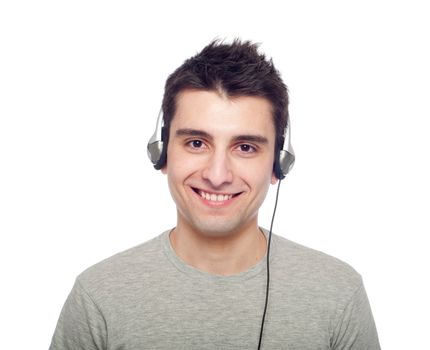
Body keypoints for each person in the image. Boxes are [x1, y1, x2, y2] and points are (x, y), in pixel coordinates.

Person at [49, 39, 380, 350]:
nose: (217, 175)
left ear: (279, 164)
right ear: (162, 153)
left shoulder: (338, 293)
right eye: (196, 143)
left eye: (246, 147)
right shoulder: (98, 295)